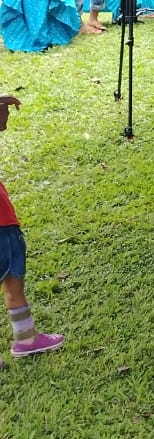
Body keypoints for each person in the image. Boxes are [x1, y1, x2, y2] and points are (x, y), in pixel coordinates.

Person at [0, 94, 65, 361]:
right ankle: (25, 339)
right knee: (13, 284)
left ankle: (26, 339)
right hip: (2, 226)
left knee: (12, 285)